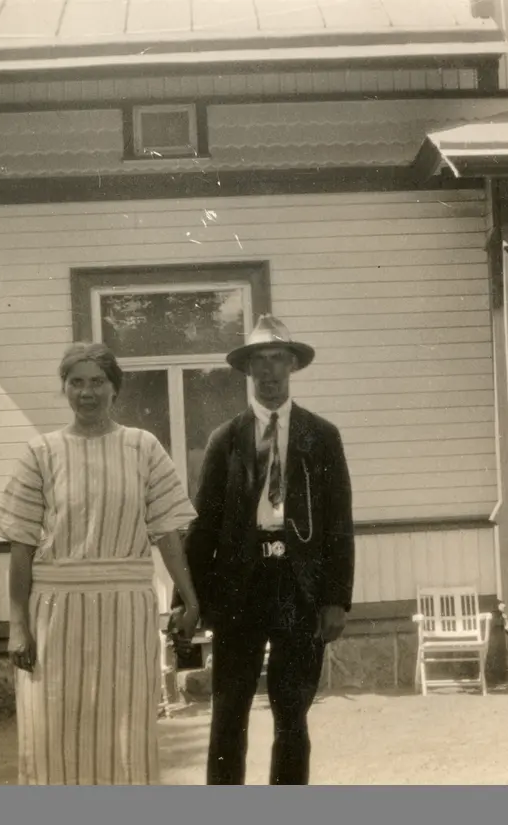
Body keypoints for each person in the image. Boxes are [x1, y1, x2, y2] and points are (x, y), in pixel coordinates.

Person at [0, 342, 202, 786]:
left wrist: (191, 600)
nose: (87, 393)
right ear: (65, 388)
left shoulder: (142, 447)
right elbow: (21, 546)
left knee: (125, 728)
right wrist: (17, 626)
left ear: (114, 388)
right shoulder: (41, 453)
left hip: (126, 609)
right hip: (55, 612)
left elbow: (167, 533)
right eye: (76, 382)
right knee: (53, 728)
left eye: (97, 382)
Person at [171, 314, 355, 785]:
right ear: (248, 370)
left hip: (299, 588)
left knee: (292, 715)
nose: (269, 371)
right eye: (260, 361)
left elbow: (339, 523)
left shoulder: (321, 436)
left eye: (277, 359)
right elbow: (203, 526)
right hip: (239, 589)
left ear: (292, 365)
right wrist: (186, 602)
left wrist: (336, 599)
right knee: (228, 712)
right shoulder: (226, 439)